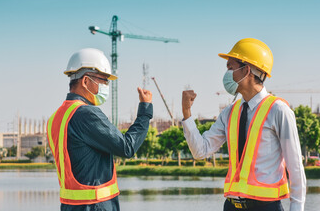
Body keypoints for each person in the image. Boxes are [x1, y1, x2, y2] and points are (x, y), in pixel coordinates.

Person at [182, 38, 306, 211]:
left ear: (247, 70)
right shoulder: (229, 113)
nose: (226, 73)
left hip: (266, 207)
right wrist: (187, 114)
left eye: (230, 67)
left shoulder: (279, 110)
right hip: (232, 206)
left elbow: (296, 168)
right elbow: (200, 151)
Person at [47, 48, 153, 211]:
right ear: (85, 81)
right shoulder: (86, 113)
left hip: (70, 206)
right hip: (95, 206)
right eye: (103, 80)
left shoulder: (56, 117)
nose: (106, 86)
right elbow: (127, 147)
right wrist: (145, 111)